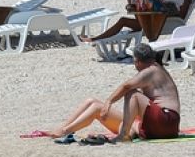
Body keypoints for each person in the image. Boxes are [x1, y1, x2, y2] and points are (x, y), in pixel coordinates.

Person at [45, 43, 181, 142]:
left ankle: (123, 136)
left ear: (137, 61)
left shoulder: (151, 70)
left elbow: (126, 86)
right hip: (157, 125)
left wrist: (109, 102)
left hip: (166, 121)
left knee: (132, 93)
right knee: (93, 103)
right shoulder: (155, 68)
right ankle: (64, 128)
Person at [89, 0, 194, 42]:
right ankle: (135, 6)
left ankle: (97, 38)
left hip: (154, 24)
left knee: (123, 20)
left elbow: (180, 17)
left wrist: (166, 8)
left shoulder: (185, 0)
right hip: (151, 21)